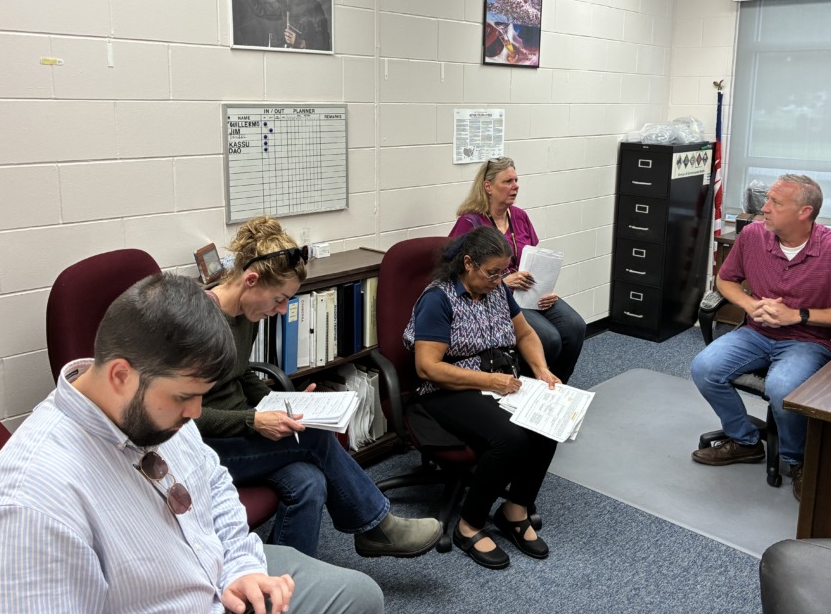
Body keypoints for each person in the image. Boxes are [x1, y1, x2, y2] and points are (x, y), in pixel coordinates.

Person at [0, 273, 384, 614]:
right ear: (120, 375)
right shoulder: (26, 508)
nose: (196, 413)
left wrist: (239, 566)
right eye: (184, 397)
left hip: (218, 575)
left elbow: (214, 483)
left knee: (362, 595)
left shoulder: (152, 412)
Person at [199, 216, 441, 559]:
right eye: (280, 299)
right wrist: (254, 421)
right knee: (315, 437)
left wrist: (282, 402)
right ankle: (377, 526)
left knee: (308, 483)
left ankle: (290, 584)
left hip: (242, 429)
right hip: (209, 446)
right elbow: (184, 417)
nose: (282, 311)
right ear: (251, 280)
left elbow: (238, 376)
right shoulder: (200, 324)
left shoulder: (244, 313)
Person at [690, 174, 831, 500]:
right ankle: (745, 441)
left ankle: (798, 459)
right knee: (704, 367)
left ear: (804, 212)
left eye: (775, 203)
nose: (765, 208)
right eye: (768, 200)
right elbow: (726, 279)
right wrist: (750, 304)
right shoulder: (752, 237)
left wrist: (799, 315)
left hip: (808, 339)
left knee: (783, 387)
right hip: (756, 332)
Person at [405, 226, 562, 570]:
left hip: (497, 380)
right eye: (492, 272)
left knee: (549, 425)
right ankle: (469, 524)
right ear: (467, 263)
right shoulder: (438, 299)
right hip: (446, 389)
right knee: (509, 438)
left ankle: (514, 510)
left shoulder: (496, 292)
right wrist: (490, 380)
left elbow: (525, 333)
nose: (498, 280)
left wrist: (541, 370)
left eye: (503, 272)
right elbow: (428, 368)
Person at [449, 156, 586, 384]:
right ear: (488, 186)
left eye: (516, 180)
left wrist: (546, 288)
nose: (515, 186)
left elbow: (535, 260)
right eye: (508, 181)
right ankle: (526, 388)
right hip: (495, 296)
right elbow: (454, 271)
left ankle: (557, 386)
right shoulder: (470, 222)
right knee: (549, 338)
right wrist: (504, 281)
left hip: (531, 294)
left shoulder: (520, 216)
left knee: (575, 327)